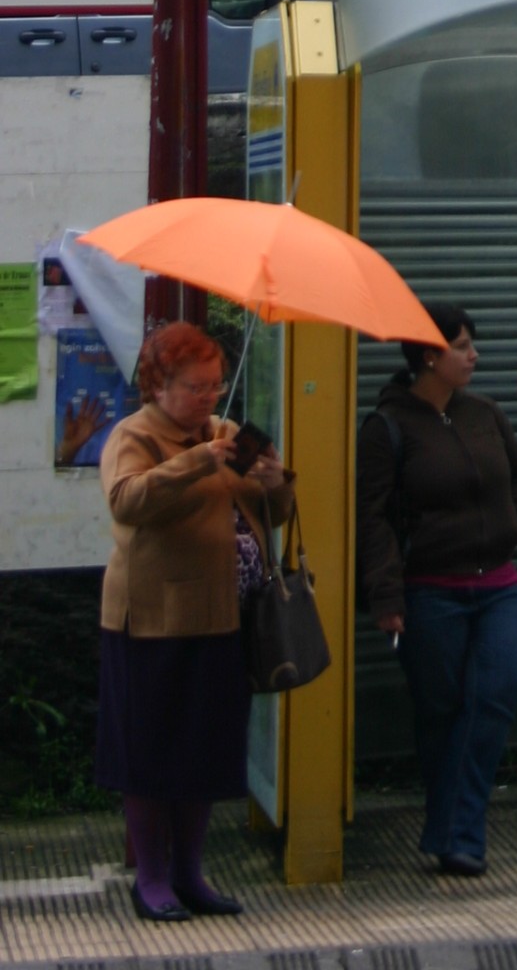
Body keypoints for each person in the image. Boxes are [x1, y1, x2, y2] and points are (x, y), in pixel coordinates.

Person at [95, 319, 290, 922]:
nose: (208, 397)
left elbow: (275, 511)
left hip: (221, 617)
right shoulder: (136, 435)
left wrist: (277, 482)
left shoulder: (230, 433)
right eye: (194, 387)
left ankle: (191, 874)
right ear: (158, 385)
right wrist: (199, 462)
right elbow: (127, 501)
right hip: (153, 620)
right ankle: (151, 877)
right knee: (152, 749)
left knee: (204, 750)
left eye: (214, 385)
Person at [358, 301, 517, 878]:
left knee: (496, 694)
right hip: (431, 591)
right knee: (442, 713)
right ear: (430, 355)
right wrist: (386, 596)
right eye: (462, 345)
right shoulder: (386, 427)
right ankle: (453, 832)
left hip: (499, 586)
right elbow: (373, 517)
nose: (473, 355)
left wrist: (511, 525)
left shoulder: (485, 413)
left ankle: (455, 834)